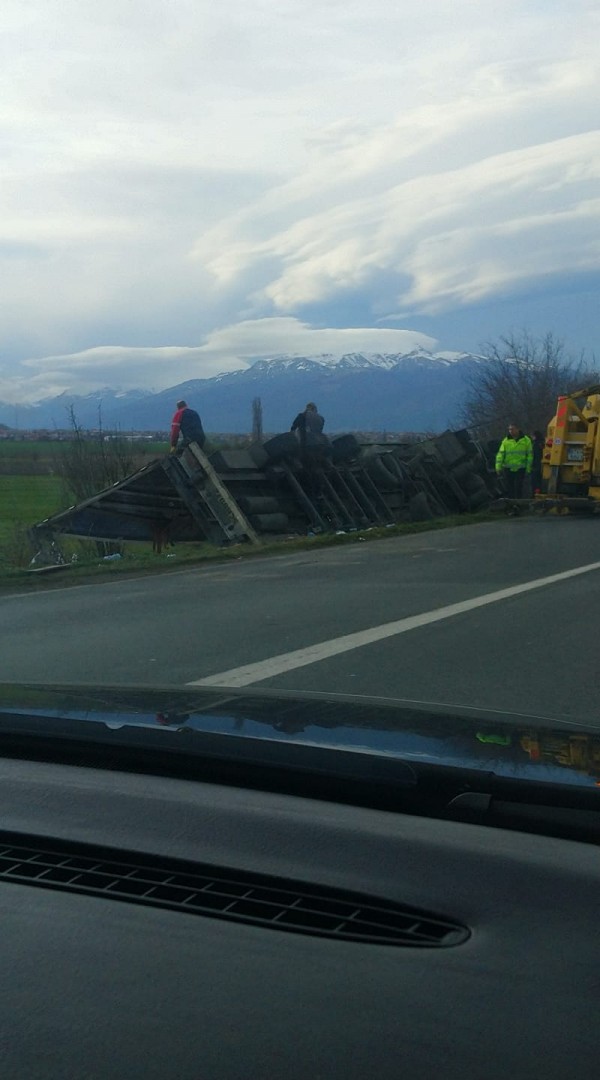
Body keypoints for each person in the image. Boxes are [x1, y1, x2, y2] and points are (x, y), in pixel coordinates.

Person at [495, 423, 533, 499]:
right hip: (508, 468)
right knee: (510, 488)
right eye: (509, 429)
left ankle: (519, 503)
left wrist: (528, 468)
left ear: (518, 429)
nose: (510, 431)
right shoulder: (505, 441)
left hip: (521, 468)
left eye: (512, 429)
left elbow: (530, 455)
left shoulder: (526, 440)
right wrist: (498, 467)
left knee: (518, 487)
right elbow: (500, 454)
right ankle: (511, 505)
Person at [530, 430, 545, 495]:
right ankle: (538, 492)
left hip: (536, 466)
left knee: (535, 482)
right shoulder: (542, 443)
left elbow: (535, 455)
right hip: (541, 465)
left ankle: (535, 494)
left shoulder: (535, 444)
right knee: (539, 481)